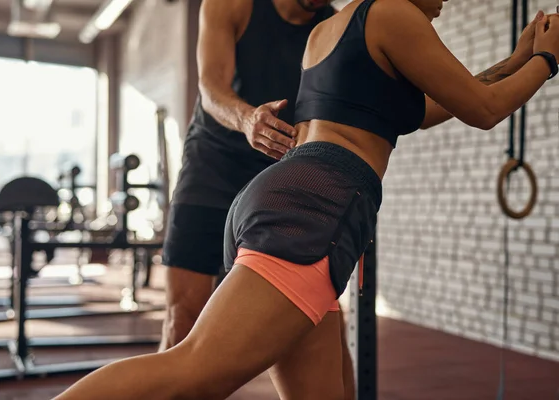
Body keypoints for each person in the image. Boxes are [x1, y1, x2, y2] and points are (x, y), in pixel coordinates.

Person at [54, 0, 558, 399]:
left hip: (281, 195)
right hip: (315, 210)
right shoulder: (396, 15)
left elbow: (438, 103)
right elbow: (485, 109)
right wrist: (547, 60)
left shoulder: (330, 28)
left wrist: (515, 61)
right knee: (193, 371)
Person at [158, 0, 357, 396]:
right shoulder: (232, 4)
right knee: (184, 319)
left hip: (279, 177)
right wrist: (248, 119)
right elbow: (211, 87)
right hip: (212, 167)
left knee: (321, 320)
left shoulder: (334, 26)